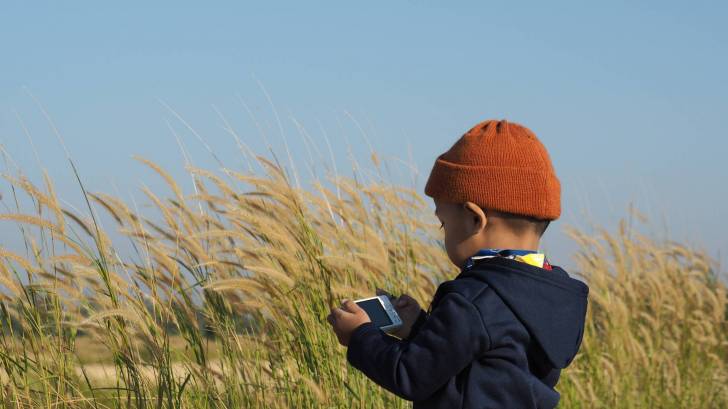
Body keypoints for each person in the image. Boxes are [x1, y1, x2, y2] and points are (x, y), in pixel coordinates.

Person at [327, 119, 589, 408]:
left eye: (443, 223)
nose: (442, 234)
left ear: (475, 219)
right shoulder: (553, 296)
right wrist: (420, 328)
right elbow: (483, 362)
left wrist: (360, 336)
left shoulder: (475, 297)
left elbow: (411, 374)